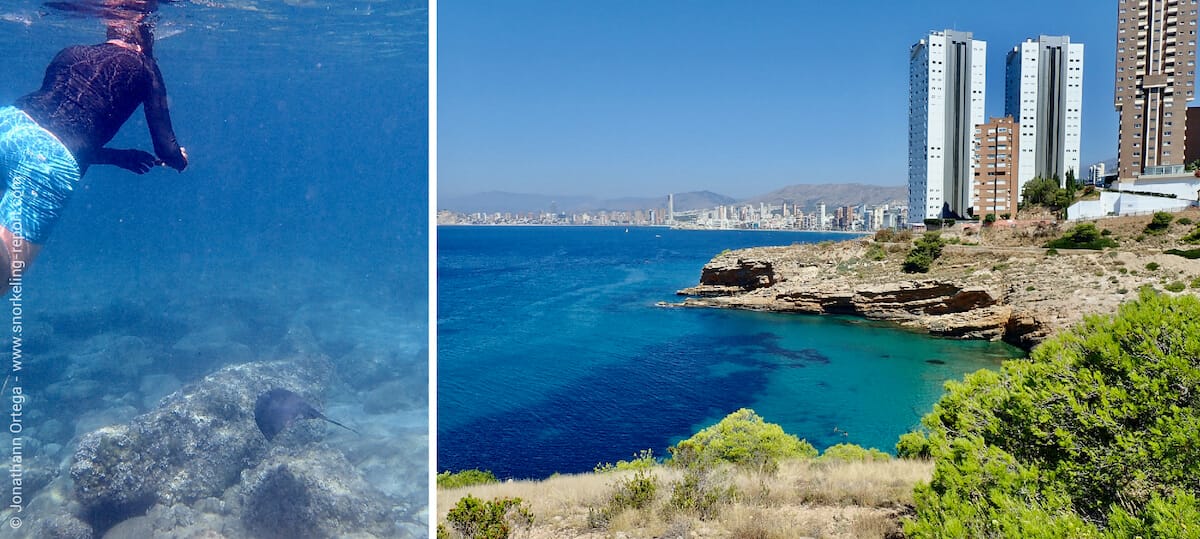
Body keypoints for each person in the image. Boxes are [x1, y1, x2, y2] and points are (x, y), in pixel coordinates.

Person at [0, 3, 186, 294]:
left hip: (9, 124)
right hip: (47, 163)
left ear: (110, 27)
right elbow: (166, 149)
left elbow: (51, 124)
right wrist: (180, 160)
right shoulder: (145, 68)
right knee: (2, 278)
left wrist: (117, 157)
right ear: (147, 33)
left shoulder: (71, 52)